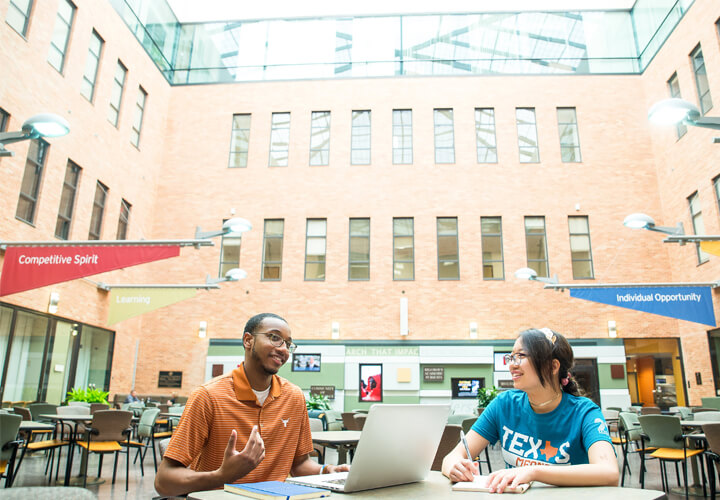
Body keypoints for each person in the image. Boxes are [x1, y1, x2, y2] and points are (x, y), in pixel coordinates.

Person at [154, 313, 350, 496]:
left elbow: (300, 465)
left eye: (288, 344)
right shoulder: (208, 397)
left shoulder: (294, 397)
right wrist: (222, 475)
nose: (283, 348)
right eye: (274, 337)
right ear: (248, 340)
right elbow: (164, 482)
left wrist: (327, 470)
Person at [442, 328, 618, 493]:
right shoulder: (504, 404)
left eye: (521, 356)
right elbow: (451, 457)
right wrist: (455, 468)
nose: (512, 365)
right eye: (511, 357)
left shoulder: (584, 412)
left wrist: (534, 472)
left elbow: (609, 473)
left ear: (553, 366)